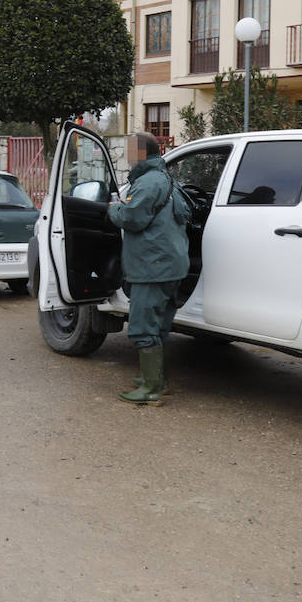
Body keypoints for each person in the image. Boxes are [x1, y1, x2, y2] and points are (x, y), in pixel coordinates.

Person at [106, 131, 190, 405]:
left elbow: (132, 219)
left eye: (131, 151)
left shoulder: (147, 183)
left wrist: (114, 208)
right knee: (160, 326)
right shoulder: (167, 180)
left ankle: (151, 390)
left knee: (143, 327)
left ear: (140, 154)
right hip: (173, 266)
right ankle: (158, 380)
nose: (128, 157)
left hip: (151, 268)